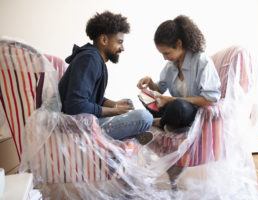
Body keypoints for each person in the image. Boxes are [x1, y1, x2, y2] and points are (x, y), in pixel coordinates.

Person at [59, 11, 153, 144]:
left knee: (129, 104)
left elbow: (90, 97)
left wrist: (114, 104)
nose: (122, 48)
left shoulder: (93, 58)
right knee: (144, 117)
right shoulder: (89, 59)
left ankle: (130, 136)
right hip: (79, 128)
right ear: (104, 40)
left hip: (86, 122)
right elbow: (76, 106)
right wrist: (114, 111)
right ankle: (130, 138)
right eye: (119, 42)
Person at [137, 15, 221, 132]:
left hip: (193, 111)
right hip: (175, 110)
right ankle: (166, 120)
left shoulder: (202, 61)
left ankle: (161, 121)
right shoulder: (170, 66)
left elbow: (210, 99)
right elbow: (159, 90)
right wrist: (150, 82)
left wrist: (171, 100)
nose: (165, 58)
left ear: (179, 44)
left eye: (167, 53)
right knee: (146, 98)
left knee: (178, 107)